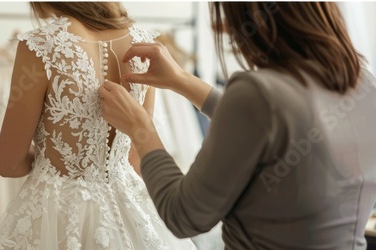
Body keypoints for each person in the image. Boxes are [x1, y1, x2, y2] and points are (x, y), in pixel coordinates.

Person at [99, 2, 376, 250]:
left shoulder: (257, 95)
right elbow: (274, 131)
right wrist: (183, 80)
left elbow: (183, 215)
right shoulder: (363, 83)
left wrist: (141, 128)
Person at [0, 2, 197, 249]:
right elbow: (136, 157)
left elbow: (9, 163)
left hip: (56, 215)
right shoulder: (143, 44)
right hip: (130, 206)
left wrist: (52, 161)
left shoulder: (41, 46)